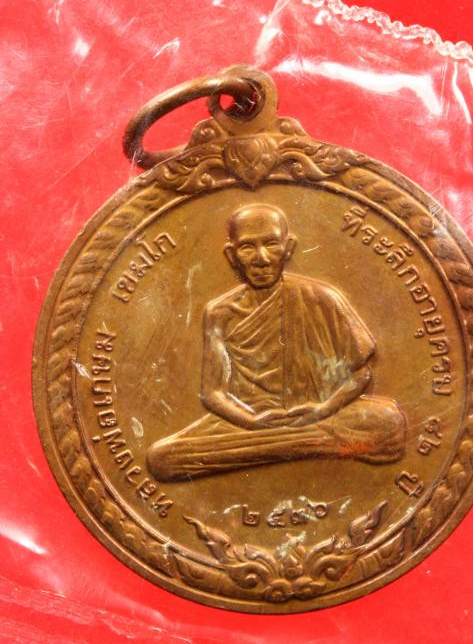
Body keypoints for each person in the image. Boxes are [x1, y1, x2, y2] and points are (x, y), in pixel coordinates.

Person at [147, 203, 406, 480]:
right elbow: (213, 394)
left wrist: (323, 409)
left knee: (388, 421)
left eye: (271, 244)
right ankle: (307, 445)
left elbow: (361, 372)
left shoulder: (321, 298)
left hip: (321, 415)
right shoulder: (220, 313)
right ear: (232, 256)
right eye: (248, 247)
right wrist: (252, 421)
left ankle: (281, 446)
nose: (261, 258)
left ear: (288, 248)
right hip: (245, 424)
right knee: (162, 458)